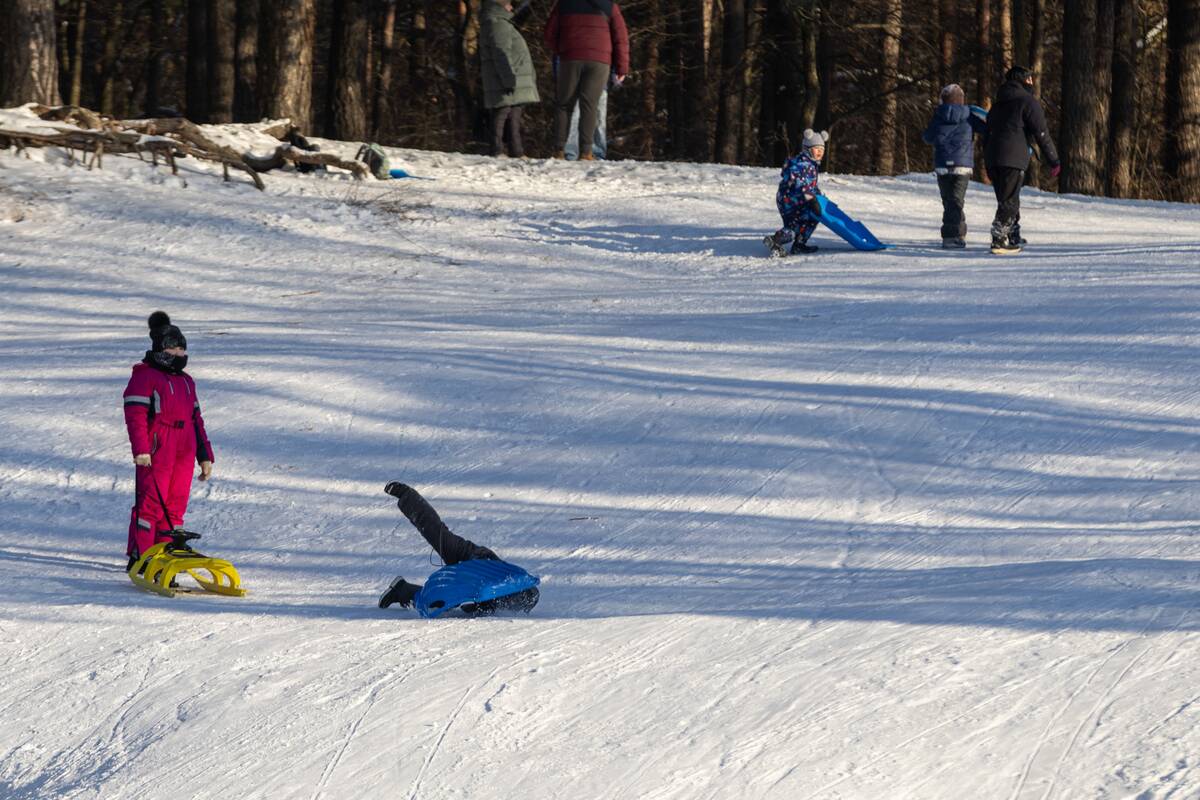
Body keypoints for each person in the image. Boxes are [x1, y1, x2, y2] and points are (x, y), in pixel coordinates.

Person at [122, 311, 214, 570]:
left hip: (185, 446)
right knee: (152, 502)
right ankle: (142, 556)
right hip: (158, 444)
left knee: (175, 504)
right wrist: (141, 449)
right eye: (173, 347)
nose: (178, 352)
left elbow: (197, 420)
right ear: (160, 347)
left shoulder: (187, 382)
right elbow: (135, 416)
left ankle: (164, 556)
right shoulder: (145, 376)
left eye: (181, 348)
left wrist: (204, 455)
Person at [378, 482, 538, 614]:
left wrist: (478, 606)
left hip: (470, 581)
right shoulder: (508, 580)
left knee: (437, 602)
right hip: (475, 559)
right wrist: (405, 494)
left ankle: (402, 590)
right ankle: (407, 495)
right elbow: (432, 525)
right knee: (436, 533)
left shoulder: (512, 594)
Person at [982, 65, 1061, 254]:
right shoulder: (1027, 102)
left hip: (993, 157)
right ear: (1022, 80)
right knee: (1010, 200)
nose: (1032, 82)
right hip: (1013, 157)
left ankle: (1012, 234)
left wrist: (987, 159)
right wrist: (1054, 160)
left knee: (1007, 198)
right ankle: (999, 239)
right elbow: (1041, 133)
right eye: (1029, 79)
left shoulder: (998, 104)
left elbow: (987, 132)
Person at [545, 0, 630, 161]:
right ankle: (586, 152)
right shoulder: (610, 6)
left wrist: (563, 49)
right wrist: (621, 68)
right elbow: (621, 38)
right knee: (589, 105)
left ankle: (559, 150)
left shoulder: (563, 4)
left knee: (564, 105)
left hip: (570, 58)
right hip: (599, 60)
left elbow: (549, 34)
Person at [922, 83, 987, 248]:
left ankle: (956, 233)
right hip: (962, 165)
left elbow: (927, 137)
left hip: (943, 164)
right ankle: (953, 236)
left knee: (949, 201)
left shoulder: (938, 116)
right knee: (956, 200)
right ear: (961, 100)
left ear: (943, 100)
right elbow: (987, 128)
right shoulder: (969, 116)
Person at [480, 0, 540, 158]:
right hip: (507, 77)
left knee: (514, 113)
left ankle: (517, 151)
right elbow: (501, 53)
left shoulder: (501, 23)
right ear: (499, 6)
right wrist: (508, 78)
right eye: (508, 4)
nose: (512, 7)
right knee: (503, 111)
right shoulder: (498, 24)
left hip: (512, 77)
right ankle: (497, 149)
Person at [764, 128, 828, 257]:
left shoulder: (811, 164)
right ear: (807, 149)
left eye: (822, 149)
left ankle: (799, 244)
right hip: (790, 200)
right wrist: (813, 199)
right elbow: (801, 186)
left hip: (800, 199)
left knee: (812, 218)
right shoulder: (801, 165)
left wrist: (818, 195)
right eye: (816, 149)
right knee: (795, 225)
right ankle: (775, 240)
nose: (820, 152)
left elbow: (810, 185)